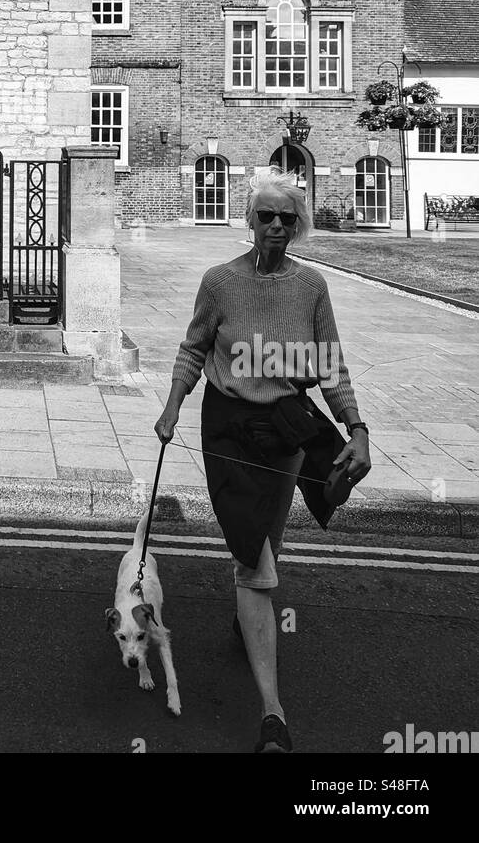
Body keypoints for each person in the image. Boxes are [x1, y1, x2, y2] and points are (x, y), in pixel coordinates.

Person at [155, 169, 371, 753]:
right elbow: (194, 346)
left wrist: (358, 429)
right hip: (227, 426)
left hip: (285, 427)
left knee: (275, 534)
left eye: (287, 217)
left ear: (297, 226)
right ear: (250, 220)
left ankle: (246, 615)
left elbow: (331, 365)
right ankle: (273, 715)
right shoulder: (220, 280)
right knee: (256, 564)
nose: (276, 225)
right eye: (266, 215)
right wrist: (172, 407)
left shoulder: (311, 287)